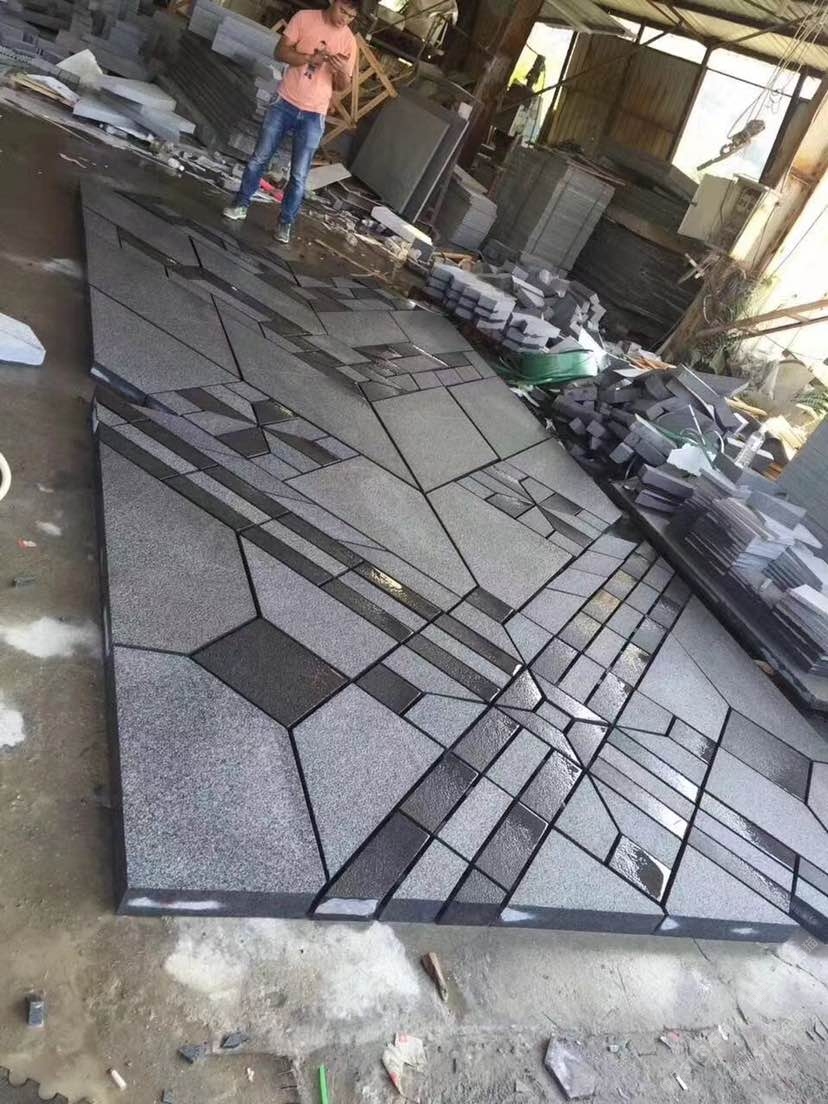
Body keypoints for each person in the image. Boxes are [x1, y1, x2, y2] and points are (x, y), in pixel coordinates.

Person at [223, 0, 359, 244]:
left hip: (315, 113)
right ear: (333, 2)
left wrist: (339, 71)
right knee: (259, 158)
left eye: (350, 16)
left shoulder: (349, 41)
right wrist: (308, 59)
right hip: (285, 101)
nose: (344, 19)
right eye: (342, 11)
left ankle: (286, 223)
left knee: (299, 174)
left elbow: (342, 86)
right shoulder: (304, 18)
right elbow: (280, 52)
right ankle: (240, 204)